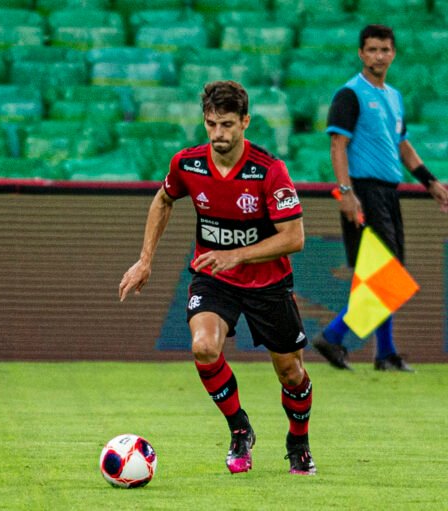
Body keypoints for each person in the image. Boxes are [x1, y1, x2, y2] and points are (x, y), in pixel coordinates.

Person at [119, 80, 315, 476]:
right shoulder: (187, 164)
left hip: (267, 284)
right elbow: (163, 199)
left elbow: (294, 238)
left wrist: (236, 255)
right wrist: (144, 261)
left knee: (291, 373)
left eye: (227, 124)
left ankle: (299, 441)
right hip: (214, 278)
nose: (219, 134)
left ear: (245, 122)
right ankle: (240, 430)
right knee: (204, 347)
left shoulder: (269, 170)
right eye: (211, 124)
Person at [312, 24, 448, 372]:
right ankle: (333, 336)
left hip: (389, 193)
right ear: (361, 53)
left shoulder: (393, 96)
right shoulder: (350, 94)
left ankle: (384, 353)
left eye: (384, 49)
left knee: (377, 275)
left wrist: (429, 181)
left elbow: (401, 145)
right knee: (386, 276)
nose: (378, 55)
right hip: (364, 191)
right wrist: (346, 192)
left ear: (393, 53)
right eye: (372, 49)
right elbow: (337, 145)